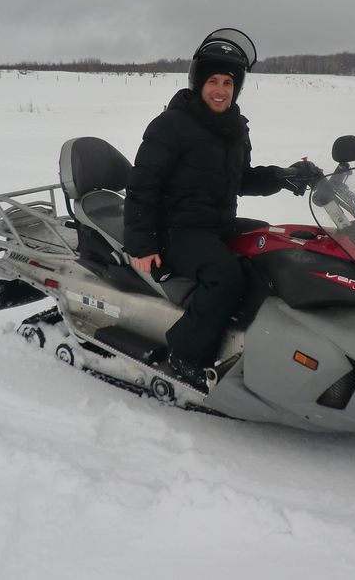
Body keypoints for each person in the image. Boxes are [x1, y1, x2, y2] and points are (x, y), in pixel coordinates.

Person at [123, 28, 321, 389]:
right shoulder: (172, 125)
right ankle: (185, 355)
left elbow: (239, 179)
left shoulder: (233, 128)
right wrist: (142, 244)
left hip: (215, 223)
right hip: (175, 229)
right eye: (212, 80)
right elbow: (142, 185)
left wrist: (283, 175)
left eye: (228, 83)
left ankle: (249, 335)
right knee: (224, 275)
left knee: (272, 241)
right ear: (198, 83)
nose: (219, 90)